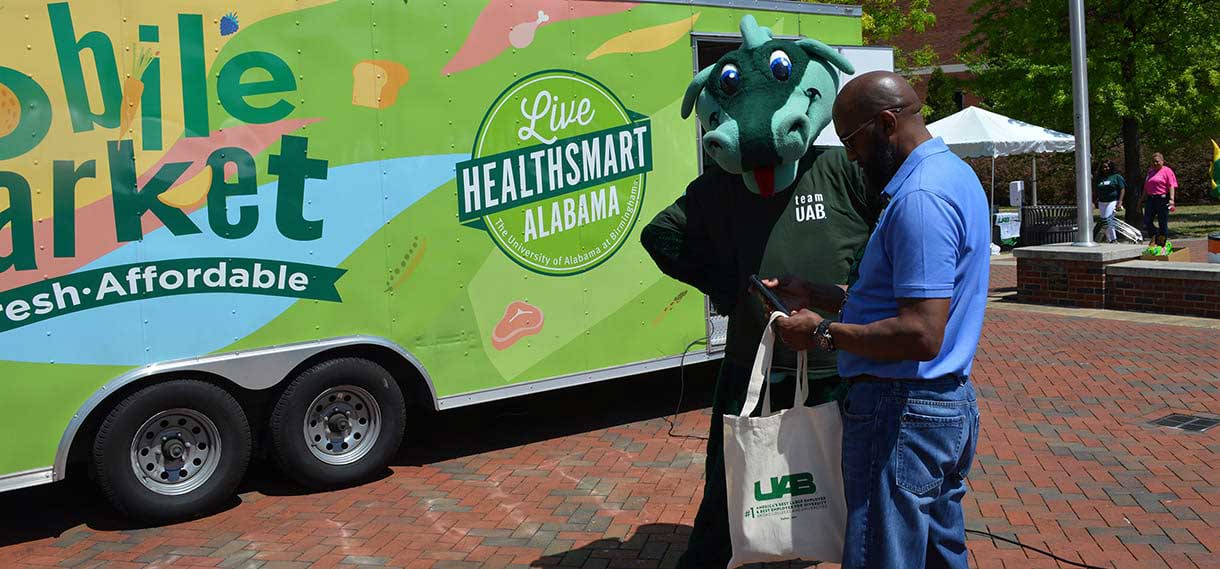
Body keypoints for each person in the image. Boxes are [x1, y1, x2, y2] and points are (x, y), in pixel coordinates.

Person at [640, 16, 881, 568]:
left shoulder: (839, 168)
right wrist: (728, 287)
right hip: (753, 365)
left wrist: (852, 291)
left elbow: (886, 228)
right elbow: (661, 235)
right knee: (731, 482)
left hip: (838, 364)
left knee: (848, 483)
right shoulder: (719, 188)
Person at [765, 71, 988, 569]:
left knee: (880, 555)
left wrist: (821, 333)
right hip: (939, 406)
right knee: (937, 553)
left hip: (901, 411)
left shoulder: (920, 199)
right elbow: (904, 301)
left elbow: (921, 333)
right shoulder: (953, 175)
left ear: (887, 123)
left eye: (852, 140)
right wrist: (819, 295)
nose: (850, 156)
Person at [1143, 152, 1177, 246]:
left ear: (1162, 161)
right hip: (1151, 199)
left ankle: (1162, 243)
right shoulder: (1150, 171)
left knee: (1162, 222)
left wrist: (1171, 199)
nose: (1155, 163)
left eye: (1157, 161)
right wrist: (1141, 199)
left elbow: (1171, 185)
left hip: (1162, 199)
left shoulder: (1167, 171)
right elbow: (1146, 186)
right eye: (1153, 162)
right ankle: (1155, 235)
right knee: (1147, 221)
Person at [1094, 160, 1126, 243]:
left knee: (1108, 219)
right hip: (1102, 202)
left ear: (1111, 167)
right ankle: (1109, 239)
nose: (1105, 169)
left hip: (1112, 201)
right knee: (1105, 222)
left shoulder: (1116, 177)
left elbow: (1122, 189)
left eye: (1106, 167)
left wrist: (1120, 201)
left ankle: (1113, 239)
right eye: (1103, 167)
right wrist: (1094, 200)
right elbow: (1096, 189)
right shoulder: (1099, 178)